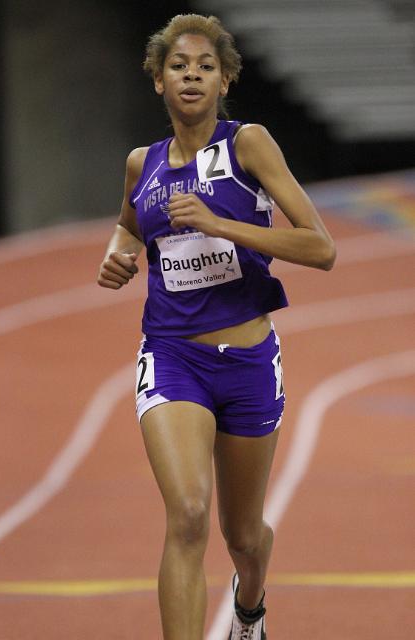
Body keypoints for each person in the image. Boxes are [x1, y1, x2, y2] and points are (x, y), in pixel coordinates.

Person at [97, 13, 336, 640]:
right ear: (158, 81)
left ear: (224, 78)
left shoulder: (248, 144)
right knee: (188, 513)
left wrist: (221, 224)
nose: (192, 76)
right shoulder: (140, 163)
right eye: (179, 66)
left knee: (243, 535)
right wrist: (117, 252)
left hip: (250, 361)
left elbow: (320, 247)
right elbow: (129, 223)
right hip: (174, 355)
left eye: (205, 67)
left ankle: (250, 608)